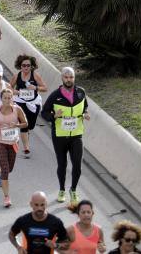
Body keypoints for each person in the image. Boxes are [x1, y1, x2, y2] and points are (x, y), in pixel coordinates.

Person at [41, 67, 89, 204]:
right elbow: (44, 112)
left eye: (71, 77)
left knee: (77, 165)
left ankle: (73, 190)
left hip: (76, 135)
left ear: (74, 78)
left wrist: (85, 113)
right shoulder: (55, 95)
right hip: (60, 136)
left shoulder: (81, 92)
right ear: (62, 78)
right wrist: (53, 116)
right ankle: (61, 189)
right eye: (66, 77)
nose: (69, 80)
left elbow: (85, 106)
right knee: (62, 165)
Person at [0, 88, 27, 207]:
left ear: (12, 98)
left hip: (12, 142)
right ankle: (6, 197)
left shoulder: (17, 109)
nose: (7, 100)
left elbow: (25, 123)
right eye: (5, 98)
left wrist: (16, 125)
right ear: (1, 98)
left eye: (9, 98)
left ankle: (1, 168)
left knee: (9, 168)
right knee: (5, 169)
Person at [10, 54, 47, 158]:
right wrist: (16, 92)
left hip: (33, 102)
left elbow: (45, 88)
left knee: (31, 125)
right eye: (23, 65)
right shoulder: (17, 76)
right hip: (20, 102)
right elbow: (8, 88)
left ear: (31, 66)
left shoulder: (35, 75)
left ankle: (26, 134)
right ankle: (26, 147)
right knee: (24, 124)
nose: (26, 67)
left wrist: (35, 87)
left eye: (28, 65)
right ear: (20, 66)